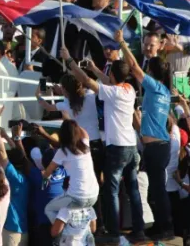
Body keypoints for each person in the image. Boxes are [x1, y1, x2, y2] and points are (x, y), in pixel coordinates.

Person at [60, 47, 145, 244]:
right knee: (133, 190)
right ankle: (139, 230)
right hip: (132, 146)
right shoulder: (129, 89)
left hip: (117, 148)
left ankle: (113, 231)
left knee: (110, 191)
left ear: (113, 74)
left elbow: (86, 81)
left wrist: (69, 60)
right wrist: (96, 68)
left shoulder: (112, 92)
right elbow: (105, 81)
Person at [116, 29, 174, 241]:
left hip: (157, 148)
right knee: (154, 191)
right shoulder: (163, 90)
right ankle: (160, 226)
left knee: (157, 191)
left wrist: (122, 42)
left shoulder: (156, 86)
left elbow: (134, 67)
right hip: (155, 147)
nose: (145, 72)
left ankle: (166, 227)